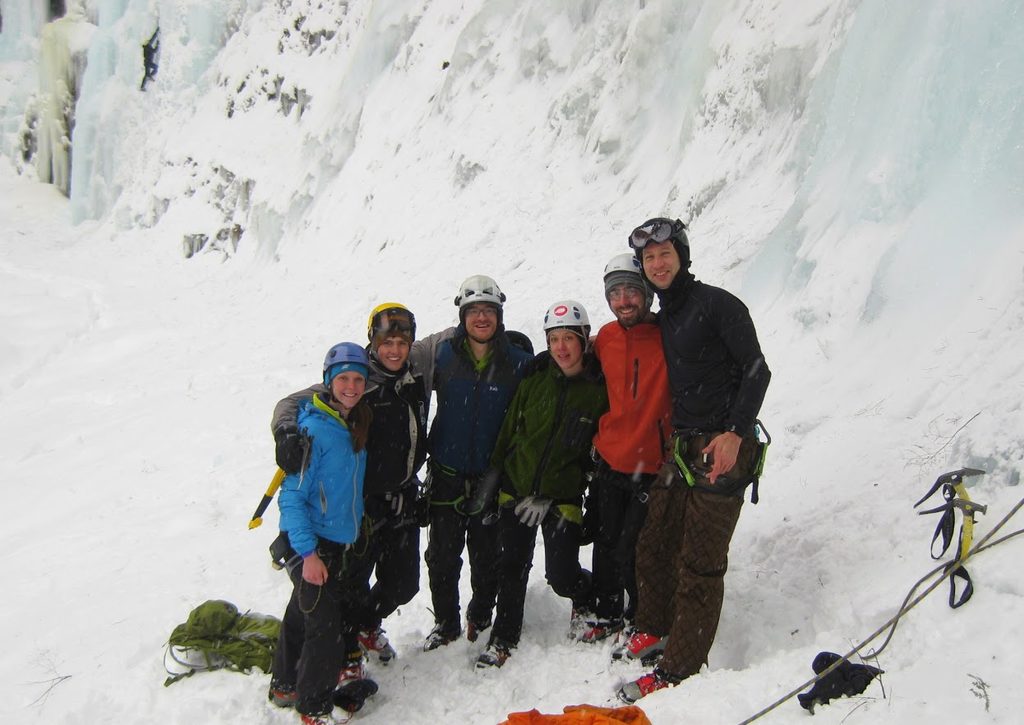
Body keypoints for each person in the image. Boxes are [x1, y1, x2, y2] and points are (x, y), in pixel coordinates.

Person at [616, 218, 771, 703]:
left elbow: (757, 370)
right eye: (649, 259)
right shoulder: (668, 316)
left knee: (700, 562)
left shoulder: (717, 305)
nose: (657, 264)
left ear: (681, 256)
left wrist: (734, 433)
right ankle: (654, 625)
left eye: (665, 254)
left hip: (725, 447)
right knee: (655, 540)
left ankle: (679, 668)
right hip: (684, 447)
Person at [271, 304, 428, 667]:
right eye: (386, 341)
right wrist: (286, 433)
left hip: (403, 498)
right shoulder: (356, 381)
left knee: (403, 584)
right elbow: (292, 403)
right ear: (372, 342)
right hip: (359, 505)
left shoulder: (416, 374)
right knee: (350, 586)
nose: (394, 350)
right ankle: (345, 655)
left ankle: (364, 626)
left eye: (402, 342)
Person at [473, 300, 609, 668]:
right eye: (554, 339)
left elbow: (595, 452)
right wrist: (493, 480)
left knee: (561, 576)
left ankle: (583, 596)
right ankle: (503, 638)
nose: (561, 347)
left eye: (569, 338)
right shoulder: (534, 378)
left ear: (584, 339)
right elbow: (509, 431)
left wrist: (557, 494)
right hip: (515, 490)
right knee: (511, 567)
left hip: (562, 498)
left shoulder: (598, 390)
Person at [410, 275, 534, 651]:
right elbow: (392, 366)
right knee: (442, 557)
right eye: (474, 311)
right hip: (446, 474)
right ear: (463, 316)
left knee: (486, 557)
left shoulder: (518, 364)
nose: (481, 318)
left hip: (491, 477)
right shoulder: (442, 356)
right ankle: (446, 623)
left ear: (499, 316)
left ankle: (480, 615)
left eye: (489, 311)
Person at [268, 342, 376, 725]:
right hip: (310, 544)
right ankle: (313, 708)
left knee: (302, 611)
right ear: (328, 381)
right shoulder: (312, 429)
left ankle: (284, 683)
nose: (351, 386)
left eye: (358, 379)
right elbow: (292, 499)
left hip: (334, 541)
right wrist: (309, 555)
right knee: (324, 625)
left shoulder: (354, 420)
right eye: (343, 378)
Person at [580, 254, 671, 644]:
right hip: (611, 459)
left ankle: (641, 614)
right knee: (606, 539)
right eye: (615, 293)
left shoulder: (669, 334)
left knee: (637, 547)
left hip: (652, 464)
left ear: (646, 294)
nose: (624, 301)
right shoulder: (605, 339)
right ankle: (607, 610)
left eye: (632, 291)